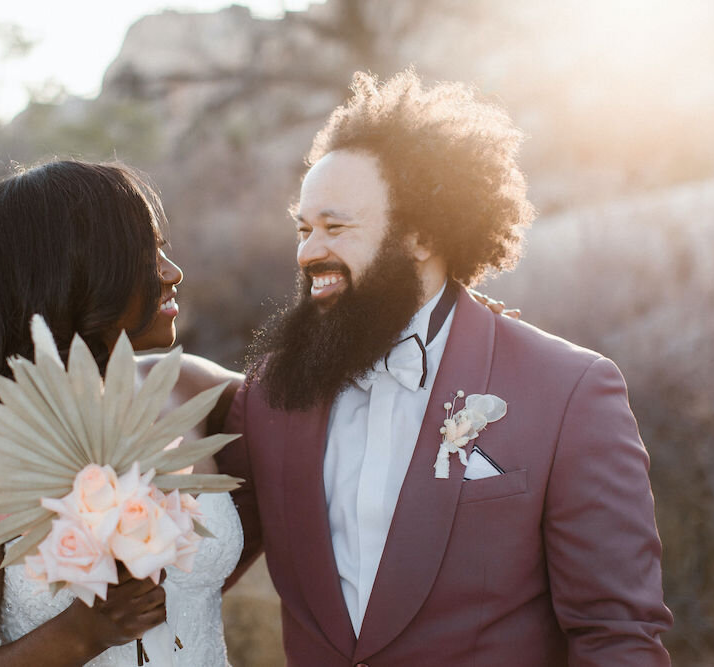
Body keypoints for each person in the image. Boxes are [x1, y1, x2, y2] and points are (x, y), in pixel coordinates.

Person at [216, 70, 673, 666]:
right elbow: (193, 557)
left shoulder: (569, 391)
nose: (307, 252)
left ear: (421, 236)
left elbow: (617, 636)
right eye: (303, 229)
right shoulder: (268, 398)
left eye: (335, 227)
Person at [0, 160, 243, 666]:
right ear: (75, 275)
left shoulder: (188, 387)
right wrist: (79, 635)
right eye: (146, 255)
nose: (173, 272)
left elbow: (311, 420)